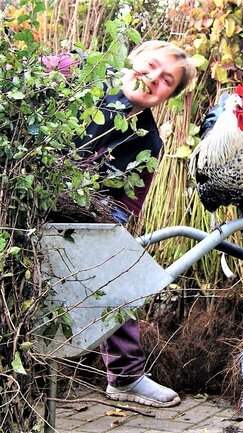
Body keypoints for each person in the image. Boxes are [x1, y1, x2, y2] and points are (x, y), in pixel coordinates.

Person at [50, 40, 196, 407]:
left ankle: (126, 377)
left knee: (119, 269)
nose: (151, 78)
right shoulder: (82, 73)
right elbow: (20, 83)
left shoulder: (146, 139)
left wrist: (96, 230)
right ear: (132, 60)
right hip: (20, 197)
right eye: (149, 66)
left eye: (165, 80)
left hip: (74, 220)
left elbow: (126, 205)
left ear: (167, 98)